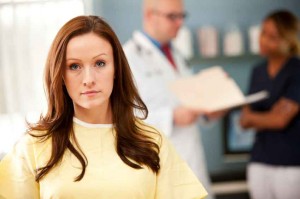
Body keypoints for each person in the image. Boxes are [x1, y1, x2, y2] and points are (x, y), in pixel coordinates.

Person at [0, 16, 208, 199]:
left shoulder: (152, 142)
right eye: (74, 66)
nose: (89, 79)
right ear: (60, 76)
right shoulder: (34, 146)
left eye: (100, 63)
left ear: (116, 69)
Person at [123, 0, 219, 198]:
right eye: (172, 16)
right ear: (150, 15)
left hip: (192, 160)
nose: (179, 23)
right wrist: (171, 117)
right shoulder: (128, 58)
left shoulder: (177, 54)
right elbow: (122, 119)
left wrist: (208, 112)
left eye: (181, 16)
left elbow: (186, 100)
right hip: (158, 164)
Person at [240, 10, 300, 199]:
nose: (264, 40)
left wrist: (257, 118)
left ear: (287, 40)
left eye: (272, 36)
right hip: (259, 161)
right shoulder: (258, 71)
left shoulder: (296, 70)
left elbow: (280, 120)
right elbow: (244, 120)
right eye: (263, 33)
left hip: (290, 164)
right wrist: (268, 116)